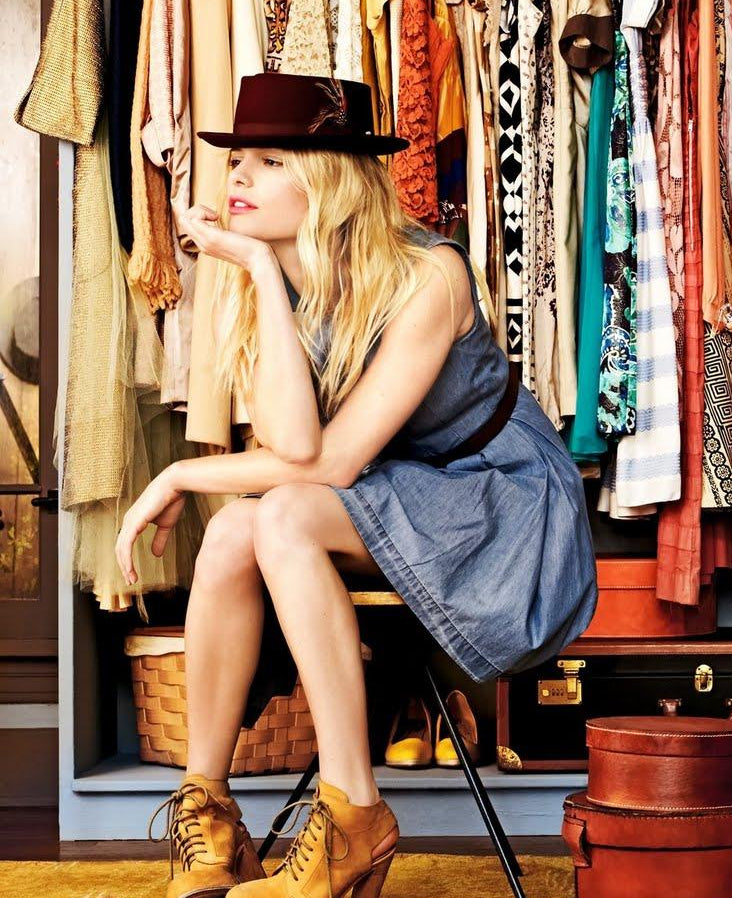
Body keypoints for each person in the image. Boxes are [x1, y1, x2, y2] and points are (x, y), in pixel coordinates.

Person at [115, 72, 597, 898]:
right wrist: (263, 277)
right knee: (236, 530)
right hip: (397, 491)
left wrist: (183, 471)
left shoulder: (429, 276)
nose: (236, 179)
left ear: (330, 178)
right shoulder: (275, 281)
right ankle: (212, 813)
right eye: (237, 161)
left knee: (286, 520)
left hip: (501, 501)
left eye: (268, 161)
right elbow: (299, 447)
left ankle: (352, 817)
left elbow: (326, 468)